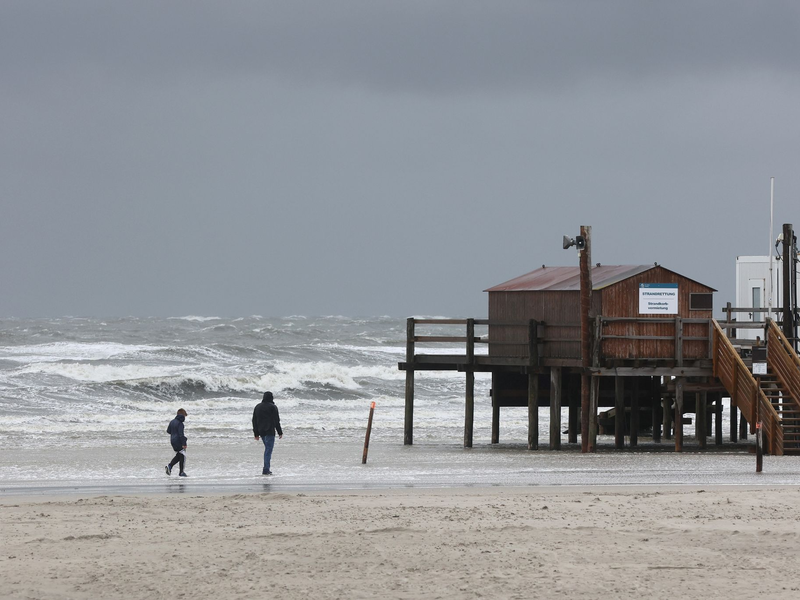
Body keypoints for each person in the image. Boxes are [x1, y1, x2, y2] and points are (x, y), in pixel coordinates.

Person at [252, 391, 283, 475]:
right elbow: (276, 421)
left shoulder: (257, 407)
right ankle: (266, 469)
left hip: (261, 431)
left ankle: (266, 468)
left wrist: (256, 433)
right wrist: (280, 432)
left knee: (267, 450)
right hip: (270, 431)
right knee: (268, 450)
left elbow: (254, 421)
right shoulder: (273, 407)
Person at [165, 408, 189, 477]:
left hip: (172, 441)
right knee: (183, 456)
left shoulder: (172, 422)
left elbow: (168, 431)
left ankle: (170, 466)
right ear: (183, 415)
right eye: (185, 416)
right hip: (178, 441)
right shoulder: (180, 424)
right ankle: (181, 472)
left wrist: (174, 434)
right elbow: (181, 434)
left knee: (179, 456)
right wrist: (184, 443)